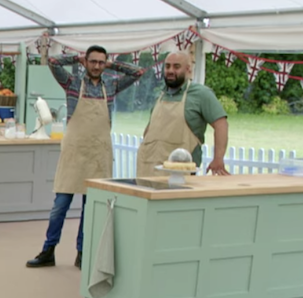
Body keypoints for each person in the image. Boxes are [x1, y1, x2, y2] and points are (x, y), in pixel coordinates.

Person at [27, 44, 142, 269]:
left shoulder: (112, 85)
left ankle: (82, 252)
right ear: (86, 62)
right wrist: (75, 58)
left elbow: (137, 72)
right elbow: (52, 62)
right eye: (93, 61)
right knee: (60, 206)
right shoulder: (72, 84)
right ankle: (48, 250)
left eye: (101, 62)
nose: (97, 66)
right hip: (74, 153)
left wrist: (113, 64)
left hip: (99, 153)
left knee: (90, 210)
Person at [135, 50, 230, 178]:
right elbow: (149, 130)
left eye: (176, 66)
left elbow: (221, 125)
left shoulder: (201, 94)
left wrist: (218, 159)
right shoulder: (160, 95)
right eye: (167, 66)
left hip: (180, 174)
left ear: (188, 69)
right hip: (148, 169)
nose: (170, 70)